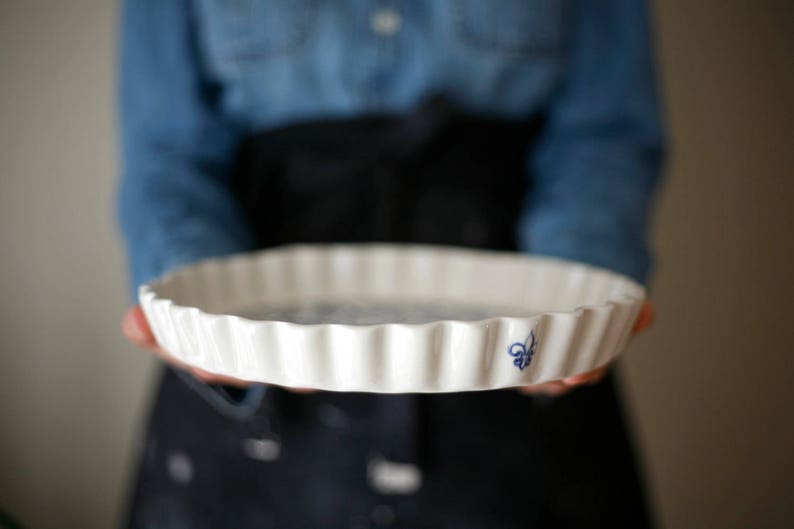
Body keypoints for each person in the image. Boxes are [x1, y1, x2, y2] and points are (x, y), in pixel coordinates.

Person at [118, 1, 663, 528]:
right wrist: (203, 306)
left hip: (515, 350)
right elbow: (167, 151)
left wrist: (575, 297)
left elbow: (605, 133)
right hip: (258, 359)